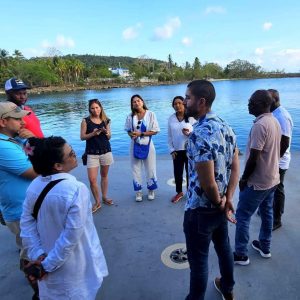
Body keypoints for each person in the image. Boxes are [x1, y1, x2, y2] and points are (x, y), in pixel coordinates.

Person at [20, 136, 108, 300]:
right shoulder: (76, 189)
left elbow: (26, 225)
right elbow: (71, 235)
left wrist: (37, 254)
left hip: (44, 256)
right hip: (73, 263)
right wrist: (47, 265)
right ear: (58, 166)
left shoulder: (34, 186)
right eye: (71, 154)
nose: (75, 155)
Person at [183, 80, 239, 300]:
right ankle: (227, 288)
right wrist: (228, 199)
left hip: (201, 211)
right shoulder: (227, 126)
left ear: (201, 101)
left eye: (188, 98)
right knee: (224, 249)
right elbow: (235, 167)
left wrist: (219, 202)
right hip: (221, 205)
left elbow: (207, 184)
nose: (185, 102)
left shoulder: (199, 134)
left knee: (198, 263)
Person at [234, 90, 281, 266]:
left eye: (251, 101)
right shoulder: (274, 121)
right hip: (272, 179)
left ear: (262, 104)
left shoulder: (260, 126)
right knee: (267, 212)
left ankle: (241, 254)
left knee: (243, 215)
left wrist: (244, 178)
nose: (248, 104)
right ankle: (265, 246)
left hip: (258, 182)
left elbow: (254, 157)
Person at [0, 102, 38, 298]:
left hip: (28, 209)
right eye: (17, 118)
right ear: (3, 122)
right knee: (32, 254)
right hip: (20, 212)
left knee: (33, 249)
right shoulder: (2, 146)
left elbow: (38, 155)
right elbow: (35, 171)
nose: (23, 121)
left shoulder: (14, 141)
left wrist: (33, 141)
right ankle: (38, 291)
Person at [80, 99, 114, 213]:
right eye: (93, 108)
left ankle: (104, 197)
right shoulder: (86, 121)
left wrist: (105, 132)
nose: (95, 110)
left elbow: (109, 137)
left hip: (106, 151)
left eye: (97, 107)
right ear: (89, 109)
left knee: (104, 176)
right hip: (92, 153)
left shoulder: (106, 120)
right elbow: (82, 137)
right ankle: (97, 202)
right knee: (92, 179)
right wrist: (93, 134)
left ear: (101, 107)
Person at [124, 94, 160, 202]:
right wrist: (132, 135)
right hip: (135, 145)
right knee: (135, 169)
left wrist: (141, 134)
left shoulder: (150, 114)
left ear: (142, 102)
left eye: (138, 101)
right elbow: (128, 130)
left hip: (148, 144)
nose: (136, 103)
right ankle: (138, 192)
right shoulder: (130, 116)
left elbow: (155, 130)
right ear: (132, 104)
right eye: (134, 102)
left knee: (151, 168)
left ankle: (151, 190)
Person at [268, 89, 293, 231]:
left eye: (267, 99)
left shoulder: (282, 116)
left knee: (277, 189)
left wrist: (274, 160)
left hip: (279, 161)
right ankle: (273, 211)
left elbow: (285, 142)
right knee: (273, 188)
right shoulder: (275, 113)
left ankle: (277, 220)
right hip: (275, 159)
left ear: (274, 100)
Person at [168, 96, 196, 203]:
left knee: (190, 173)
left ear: (184, 104)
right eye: (175, 104)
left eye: (179, 103)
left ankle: (190, 192)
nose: (177, 105)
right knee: (178, 173)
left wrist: (189, 134)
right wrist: (171, 150)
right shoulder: (171, 118)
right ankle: (179, 192)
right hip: (177, 151)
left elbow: (197, 134)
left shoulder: (191, 118)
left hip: (190, 150)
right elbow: (169, 136)